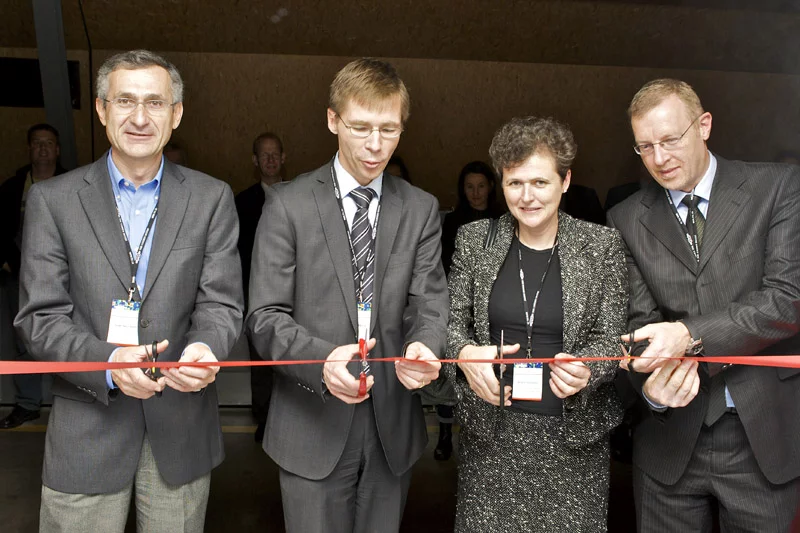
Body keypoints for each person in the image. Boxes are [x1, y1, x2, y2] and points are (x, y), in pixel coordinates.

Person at [14, 50, 243, 533]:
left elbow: (220, 304)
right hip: (86, 431)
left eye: (155, 103)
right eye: (125, 101)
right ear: (100, 109)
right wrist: (108, 364)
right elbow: (39, 319)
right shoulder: (52, 201)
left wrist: (205, 347)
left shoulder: (212, 198)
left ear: (176, 114)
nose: (140, 118)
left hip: (180, 428)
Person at [246, 57, 448, 533]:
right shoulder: (287, 206)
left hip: (391, 424)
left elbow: (429, 300)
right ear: (333, 120)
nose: (375, 145)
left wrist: (427, 344)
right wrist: (322, 362)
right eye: (360, 128)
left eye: (389, 129)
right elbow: (265, 316)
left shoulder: (420, 208)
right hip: (309, 423)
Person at [607, 78, 800, 533]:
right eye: (644, 147)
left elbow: (788, 298)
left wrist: (690, 335)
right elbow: (637, 323)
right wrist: (648, 392)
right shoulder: (625, 216)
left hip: (761, 436)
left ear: (704, 125)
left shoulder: (778, 187)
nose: (659, 159)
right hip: (669, 442)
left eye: (670, 140)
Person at [445, 116, 627, 532]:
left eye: (540, 183)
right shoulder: (476, 240)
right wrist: (465, 354)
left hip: (574, 440)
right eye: (514, 183)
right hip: (492, 439)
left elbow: (612, 336)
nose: (527, 197)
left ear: (565, 181)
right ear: (501, 184)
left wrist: (587, 369)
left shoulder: (601, 246)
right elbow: (452, 323)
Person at [0, 123, 66, 429]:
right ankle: (27, 404)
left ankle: (75, 401)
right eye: (37, 143)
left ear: (57, 149)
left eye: (48, 143)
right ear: (29, 148)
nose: (42, 148)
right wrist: (10, 263)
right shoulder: (13, 188)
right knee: (24, 340)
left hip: (67, 279)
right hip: (20, 277)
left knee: (69, 336)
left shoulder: (76, 184)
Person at [236, 131, 286, 442]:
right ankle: (265, 419)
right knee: (262, 363)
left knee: (294, 360)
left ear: (283, 158)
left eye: (275, 153)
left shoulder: (303, 196)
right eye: (263, 155)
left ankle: (293, 422)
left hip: (295, 296)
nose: (269, 160)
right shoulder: (242, 202)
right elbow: (238, 254)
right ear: (255, 160)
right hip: (256, 296)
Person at [440, 161, 502, 275]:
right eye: (470, 187)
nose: (476, 193)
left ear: (490, 186)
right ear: (463, 189)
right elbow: (446, 262)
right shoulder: (452, 221)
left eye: (481, 186)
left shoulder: (503, 219)